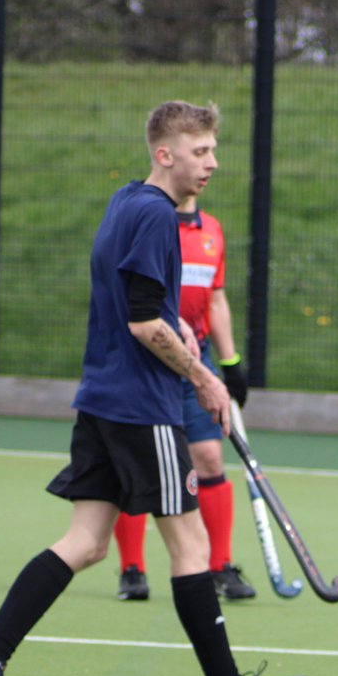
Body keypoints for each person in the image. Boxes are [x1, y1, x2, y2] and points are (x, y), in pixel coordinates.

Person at [0, 101, 303, 676]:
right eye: (200, 151)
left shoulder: (122, 202)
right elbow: (143, 321)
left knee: (85, 543)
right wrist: (203, 378)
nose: (213, 163)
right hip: (143, 408)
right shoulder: (158, 217)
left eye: (214, 150)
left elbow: (138, 309)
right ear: (165, 154)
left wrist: (185, 345)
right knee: (190, 547)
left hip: (103, 399)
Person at [113, 196, 254, 603]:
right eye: (200, 153)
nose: (209, 164)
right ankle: (132, 569)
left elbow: (215, 299)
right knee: (138, 462)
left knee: (209, 456)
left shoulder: (211, 229)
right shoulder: (146, 223)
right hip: (150, 356)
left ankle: (219, 566)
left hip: (201, 354)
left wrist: (231, 363)